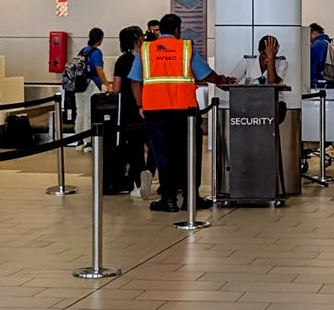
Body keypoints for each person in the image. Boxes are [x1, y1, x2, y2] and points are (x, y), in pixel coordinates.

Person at [130, 13, 233, 212]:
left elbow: (135, 81)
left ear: (160, 29)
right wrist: (222, 80)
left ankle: (168, 200)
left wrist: (140, 105)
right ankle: (190, 198)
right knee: (188, 155)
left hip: (154, 112)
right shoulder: (185, 48)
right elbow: (205, 74)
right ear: (178, 30)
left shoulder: (145, 50)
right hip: (184, 112)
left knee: (163, 156)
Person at [110, 26, 150, 197]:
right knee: (154, 144)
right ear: (136, 38)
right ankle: (151, 172)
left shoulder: (122, 60)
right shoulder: (145, 57)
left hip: (129, 109)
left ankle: (138, 183)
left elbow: (117, 87)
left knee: (135, 148)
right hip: (148, 105)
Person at [72, 26, 109, 149]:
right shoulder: (96, 52)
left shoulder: (83, 50)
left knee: (80, 112)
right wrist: (107, 85)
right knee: (89, 113)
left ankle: (79, 139)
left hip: (78, 85)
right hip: (90, 85)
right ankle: (88, 141)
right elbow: (99, 70)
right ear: (100, 39)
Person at [309, 23, 332, 88]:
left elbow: (314, 64)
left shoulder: (317, 44)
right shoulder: (327, 42)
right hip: (328, 81)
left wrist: (311, 81)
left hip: (318, 82)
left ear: (314, 33)